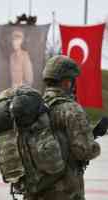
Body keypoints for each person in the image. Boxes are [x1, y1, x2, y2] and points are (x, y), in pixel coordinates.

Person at [42, 55, 101, 200]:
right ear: (67, 82)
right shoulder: (71, 109)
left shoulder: (34, 107)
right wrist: (95, 145)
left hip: (36, 187)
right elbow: (84, 151)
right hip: (64, 190)